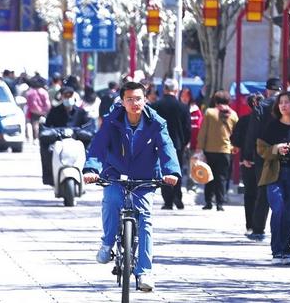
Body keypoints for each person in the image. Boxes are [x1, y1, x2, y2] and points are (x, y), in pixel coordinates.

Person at [82, 81, 180, 294]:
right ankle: (107, 244)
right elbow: (98, 146)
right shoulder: (111, 121)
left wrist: (171, 172)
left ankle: (144, 272)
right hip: (115, 173)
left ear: (146, 100)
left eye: (138, 99)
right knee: (111, 201)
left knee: (145, 218)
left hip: (144, 178)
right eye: (129, 99)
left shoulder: (156, 123)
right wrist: (91, 169)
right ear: (122, 101)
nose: (134, 103)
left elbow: (167, 147)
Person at [257, 91, 290, 265]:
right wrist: (277, 149)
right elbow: (261, 149)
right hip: (274, 175)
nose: (283, 105)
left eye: (287, 102)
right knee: (278, 210)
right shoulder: (271, 126)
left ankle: (286, 250)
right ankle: (277, 251)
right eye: (281, 102)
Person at [246, 78, 282, 240]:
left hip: (263, 154)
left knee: (263, 191)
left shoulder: (261, 107)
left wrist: (248, 155)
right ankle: (281, 229)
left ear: (267, 91)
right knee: (283, 191)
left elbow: (252, 133)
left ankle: (259, 230)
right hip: (284, 152)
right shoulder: (288, 106)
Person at [41, 86, 96, 186]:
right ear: (61, 97)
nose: (68, 98)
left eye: (70, 95)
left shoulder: (81, 112)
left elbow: (89, 127)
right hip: (59, 141)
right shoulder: (54, 111)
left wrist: (78, 132)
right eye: (65, 96)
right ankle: (50, 177)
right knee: (46, 148)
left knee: (90, 147)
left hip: (77, 141)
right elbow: (47, 128)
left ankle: (88, 171)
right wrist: (54, 132)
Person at [152, 79, 192, 210]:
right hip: (177, 143)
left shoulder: (155, 106)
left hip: (160, 143)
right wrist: (185, 142)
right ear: (176, 90)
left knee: (164, 171)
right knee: (176, 169)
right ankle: (177, 196)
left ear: (164, 89)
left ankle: (168, 200)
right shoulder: (183, 107)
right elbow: (188, 128)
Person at [196, 90, 238, 211]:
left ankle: (208, 202)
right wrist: (235, 146)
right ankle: (220, 203)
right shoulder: (233, 114)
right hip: (225, 150)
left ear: (215, 101)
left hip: (210, 150)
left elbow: (203, 131)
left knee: (208, 176)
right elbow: (236, 133)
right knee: (222, 177)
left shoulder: (209, 112)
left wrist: (200, 147)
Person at [233, 93, 261, 232]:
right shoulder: (268, 121)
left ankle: (250, 224)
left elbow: (235, 140)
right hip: (264, 161)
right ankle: (259, 224)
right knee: (261, 194)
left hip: (247, 160)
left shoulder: (244, 120)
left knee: (250, 193)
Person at [180, 86, 203, 192]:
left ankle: (191, 185)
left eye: (186, 95)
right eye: (182, 95)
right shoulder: (178, 108)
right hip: (181, 142)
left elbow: (199, 126)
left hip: (193, 141)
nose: (184, 98)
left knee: (193, 164)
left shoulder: (195, 109)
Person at [24, 78, 51, 144]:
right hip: (43, 111)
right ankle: (42, 136)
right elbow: (47, 103)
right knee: (44, 124)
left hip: (34, 111)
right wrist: (47, 110)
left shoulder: (30, 92)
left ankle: (35, 138)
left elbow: (28, 103)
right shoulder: (44, 92)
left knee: (35, 125)